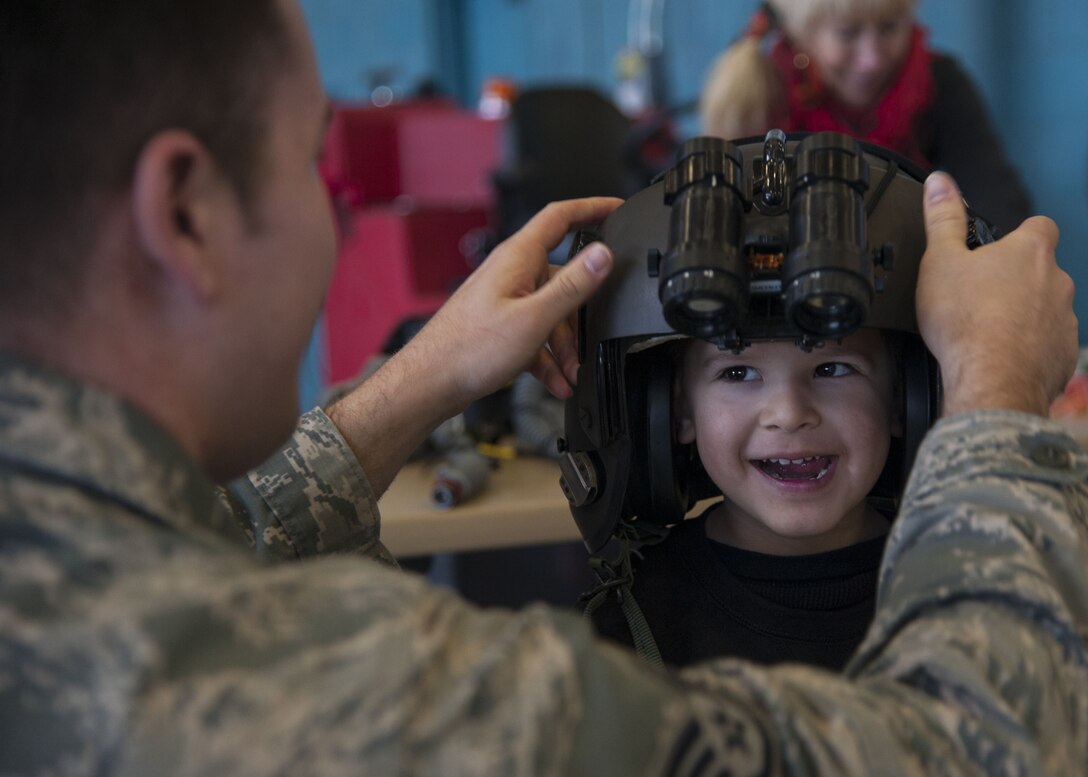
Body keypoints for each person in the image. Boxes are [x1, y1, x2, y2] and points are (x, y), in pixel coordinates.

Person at [1, 2, 1085, 775]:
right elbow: (969, 745)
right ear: (185, 214)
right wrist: (992, 386)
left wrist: (421, 378)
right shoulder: (351, 693)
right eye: (309, 164)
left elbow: (212, 542)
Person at [591, 330, 902, 670]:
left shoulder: (961, 584)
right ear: (678, 408)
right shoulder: (626, 630)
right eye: (737, 373)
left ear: (903, 396)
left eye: (832, 368)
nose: (789, 414)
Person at [699, 0, 1033, 234]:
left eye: (889, 28)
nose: (871, 60)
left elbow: (1003, 210)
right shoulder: (760, 95)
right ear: (802, 33)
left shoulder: (938, 82)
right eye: (847, 33)